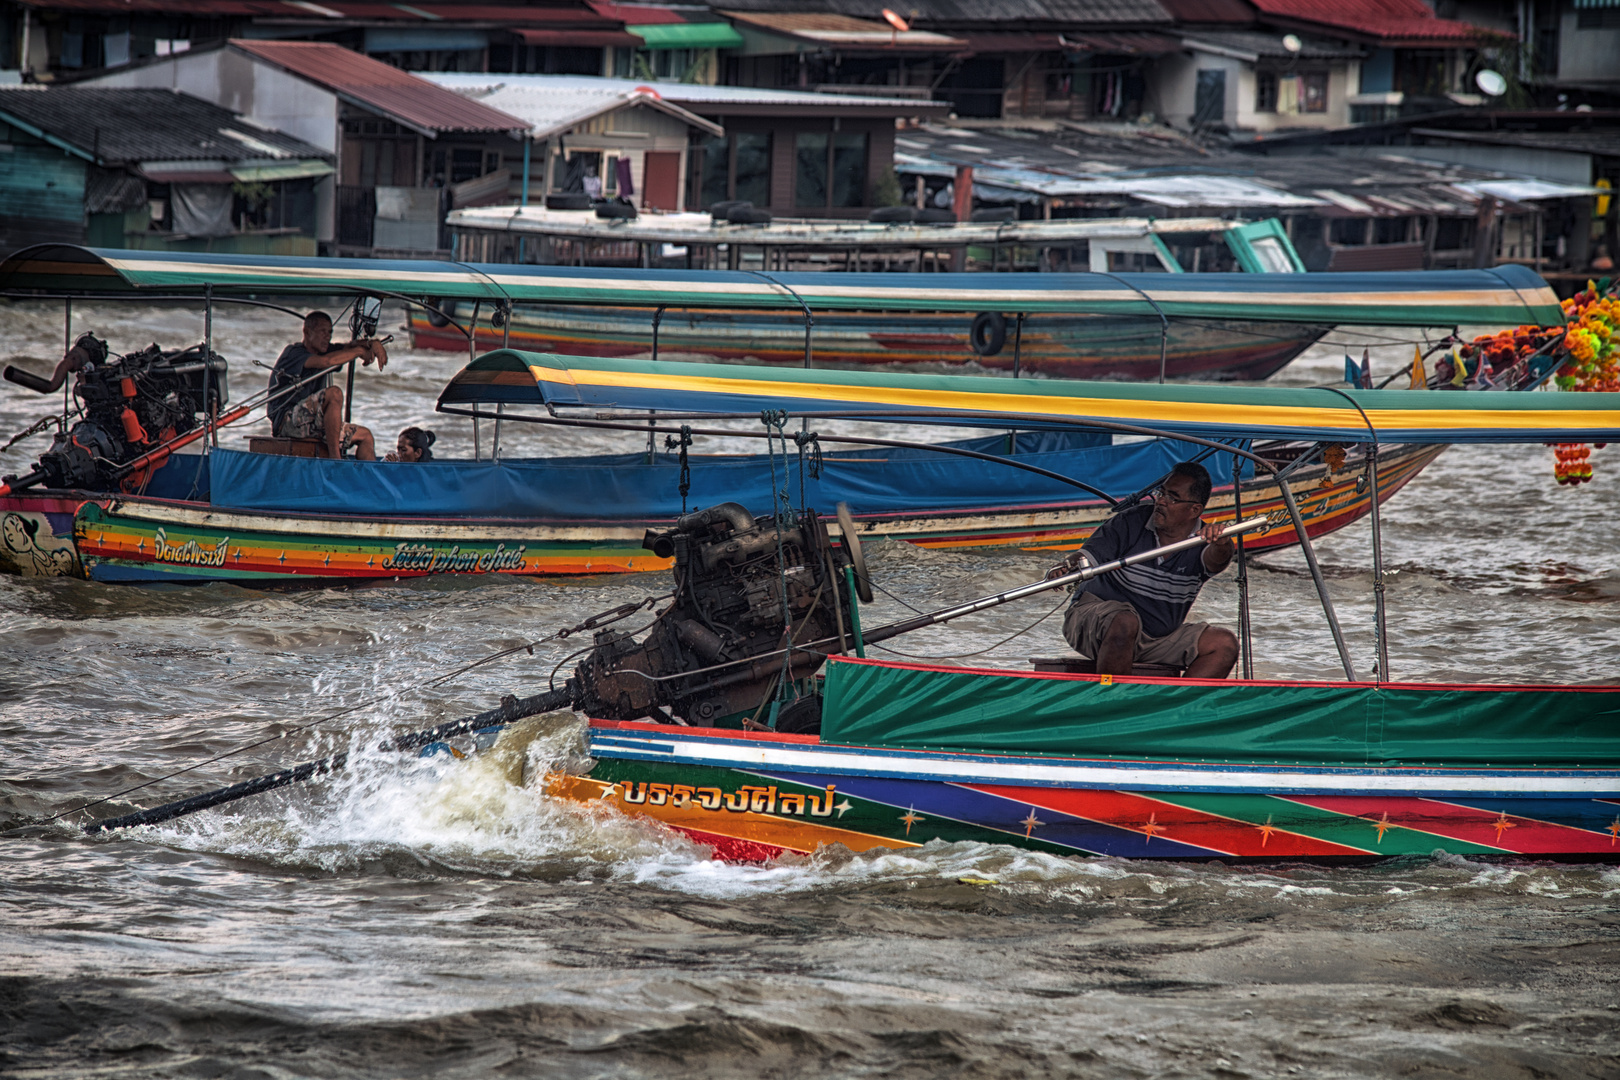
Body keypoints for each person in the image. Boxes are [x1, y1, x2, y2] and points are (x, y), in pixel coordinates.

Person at [1054, 461, 1239, 679]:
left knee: (1224, 644)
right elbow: (1087, 556)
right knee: (1125, 621)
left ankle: (1175, 708)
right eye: (1161, 493)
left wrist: (1222, 542)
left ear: (1194, 510)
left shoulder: (1204, 543)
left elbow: (1218, 559)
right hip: (1095, 622)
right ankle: (1111, 699)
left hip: (1156, 637)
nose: (1160, 501)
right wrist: (1066, 566)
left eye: (1171, 497)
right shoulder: (1131, 521)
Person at [268, 311, 386, 460]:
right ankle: (335, 459)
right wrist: (359, 351)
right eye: (322, 331)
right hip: (287, 422)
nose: (327, 336)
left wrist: (372, 343)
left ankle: (369, 481)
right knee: (334, 393)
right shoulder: (293, 353)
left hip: (314, 423)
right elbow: (327, 362)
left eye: (330, 332)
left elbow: (348, 346)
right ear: (307, 332)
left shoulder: (327, 350)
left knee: (365, 436)